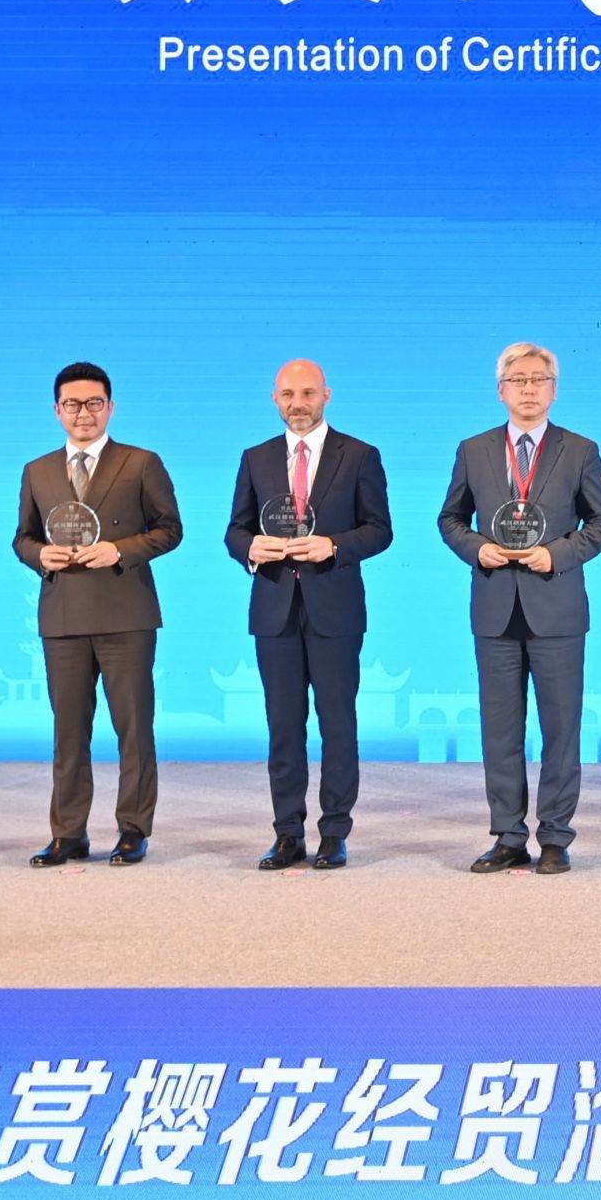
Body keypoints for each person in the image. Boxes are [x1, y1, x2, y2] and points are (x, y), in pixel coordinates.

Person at [439, 342, 601, 876]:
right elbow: (450, 519)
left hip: (556, 607)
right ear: (501, 390)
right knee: (500, 730)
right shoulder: (473, 449)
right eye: (518, 380)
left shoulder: (580, 450)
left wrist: (556, 555)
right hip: (495, 606)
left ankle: (556, 837)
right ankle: (508, 836)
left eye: (539, 380)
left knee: (561, 729)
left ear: (554, 390)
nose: (529, 389)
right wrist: (477, 549)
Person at [225, 359, 392, 872]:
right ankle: (287, 833)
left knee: (337, 724)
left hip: (335, 610)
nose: (298, 403)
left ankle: (334, 833)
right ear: (274, 399)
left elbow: (380, 530)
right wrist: (251, 548)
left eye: (308, 393)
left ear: (326, 396)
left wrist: (333, 546)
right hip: (274, 609)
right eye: (288, 395)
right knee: (283, 727)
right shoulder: (255, 458)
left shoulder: (359, 455)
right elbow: (235, 531)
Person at [14, 362, 182, 867]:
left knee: (134, 729)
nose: (82, 413)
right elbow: (22, 538)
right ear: (56, 410)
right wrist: (39, 555)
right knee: (68, 732)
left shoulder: (141, 462)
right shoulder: (38, 470)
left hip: (125, 613)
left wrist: (119, 550)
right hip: (63, 615)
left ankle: (133, 829)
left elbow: (170, 529)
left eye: (93, 403)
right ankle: (68, 833)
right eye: (72, 404)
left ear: (111, 407)